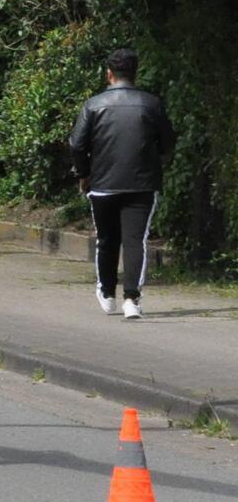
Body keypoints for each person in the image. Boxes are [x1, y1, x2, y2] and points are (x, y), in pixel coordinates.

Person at [70, 47, 175, 320]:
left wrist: (84, 174)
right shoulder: (152, 104)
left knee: (106, 240)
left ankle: (106, 292)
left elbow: (77, 144)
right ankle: (132, 299)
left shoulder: (92, 106)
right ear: (135, 73)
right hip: (142, 183)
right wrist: (156, 163)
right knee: (134, 241)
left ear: (109, 74)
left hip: (102, 183)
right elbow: (168, 143)